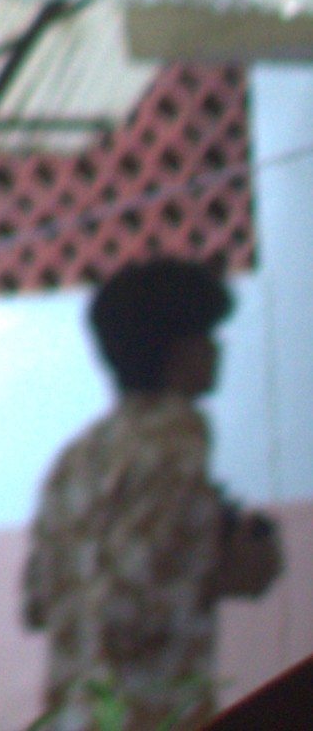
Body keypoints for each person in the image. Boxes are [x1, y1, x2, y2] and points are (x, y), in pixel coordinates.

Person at [24, 254, 288, 730]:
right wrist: (227, 570)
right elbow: (127, 613)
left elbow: (39, 601)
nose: (217, 350)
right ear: (178, 351)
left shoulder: (76, 458)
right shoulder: (175, 448)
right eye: (206, 335)